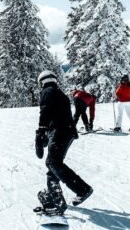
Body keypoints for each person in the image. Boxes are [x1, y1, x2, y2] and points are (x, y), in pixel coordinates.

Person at [34, 70, 93, 215]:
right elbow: (57, 114)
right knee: (53, 164)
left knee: (53, 163)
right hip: (64, 132)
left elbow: (45, 111)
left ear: (42, 82)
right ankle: (55, 196)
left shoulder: (47, 91)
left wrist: (41, 130)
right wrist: (47, 134)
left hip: (61, 132)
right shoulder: (58, 93)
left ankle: (82, 189)